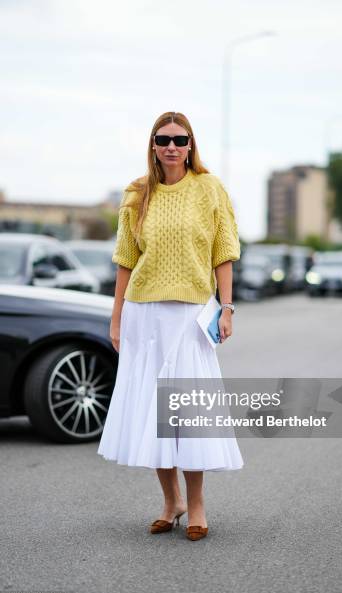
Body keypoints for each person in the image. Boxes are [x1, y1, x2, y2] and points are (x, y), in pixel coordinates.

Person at [97, 111, 244, 541]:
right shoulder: (137, 193)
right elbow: (126, 260)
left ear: (191, 144)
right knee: (151, 411)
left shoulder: (209, 189)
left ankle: (196, 505)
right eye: (164, 139)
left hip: (191, 314)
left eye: (180, 140)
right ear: (154, 145)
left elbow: (224, 252)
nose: (172, 147)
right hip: (145, 314)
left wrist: (228, 307)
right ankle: (171, 502)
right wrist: (117, 316)